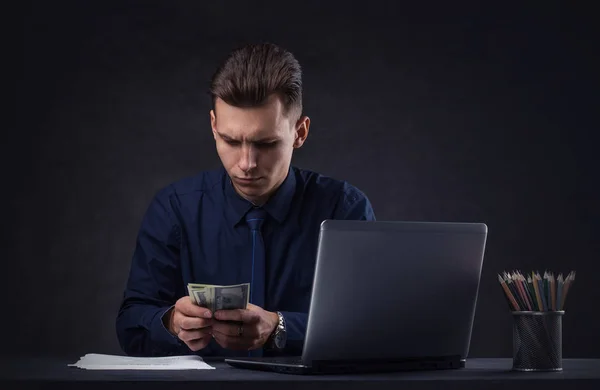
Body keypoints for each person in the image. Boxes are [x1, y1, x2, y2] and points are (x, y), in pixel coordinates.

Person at [116, 42, 376, 358]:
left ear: (300, 133)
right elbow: (131, 324)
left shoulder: (344, 210)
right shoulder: (173, 209)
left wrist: (280, 328)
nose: (246, 163)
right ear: (214, 126)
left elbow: (368, 327)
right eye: (230, 140)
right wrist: (170, 322)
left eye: (265, 144)